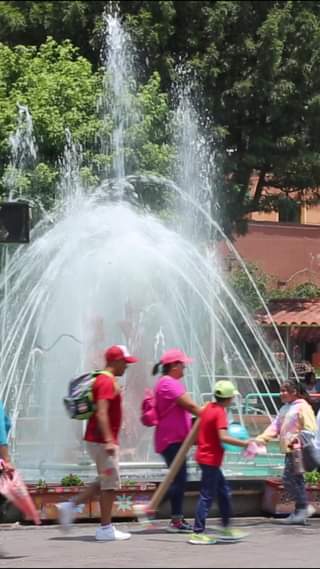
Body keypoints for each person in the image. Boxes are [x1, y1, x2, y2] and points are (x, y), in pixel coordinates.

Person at [58, 344, 138, 541]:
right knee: (109, 485)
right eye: (124, 363)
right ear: (115, 361)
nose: (126, 367)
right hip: (102, 442)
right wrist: (110, 440)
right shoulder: (105, 382)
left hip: (99, 440)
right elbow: (101, 412)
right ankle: (105, 529)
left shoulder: (106, 380)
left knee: (105, 479)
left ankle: (71, 506)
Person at [189, 380, 249, 544]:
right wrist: (245, 443)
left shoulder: (208, 407)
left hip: (205, 457)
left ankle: (226, 527)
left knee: (223, 492)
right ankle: (197, 532)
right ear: (229, 398)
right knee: (207, 495)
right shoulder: (220, 412)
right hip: (210, 460)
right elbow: (223, 437)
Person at [153, 348, 201, 533]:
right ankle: (172, 518)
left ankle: (156, 508)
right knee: (179, 478)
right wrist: (208, 413)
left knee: (178, 478)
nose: (185, 368)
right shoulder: (169, 383)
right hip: (170, 439)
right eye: (182, 365)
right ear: (173, 366)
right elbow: (189, 404)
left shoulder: (167, 382)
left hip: (173, 438)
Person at [255, 379, 317, 524]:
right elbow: (275, 426)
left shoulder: (303, 407)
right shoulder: (285, 408)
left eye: (285, 390)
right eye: (281, 390)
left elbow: (310, 428)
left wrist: (298, 440)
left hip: (298, 450)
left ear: (294, 392)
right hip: (290, 451)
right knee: (294, 480)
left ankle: (302, 509)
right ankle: (299, 512)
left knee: (289, 480)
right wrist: (262, 439)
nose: (281, 393)